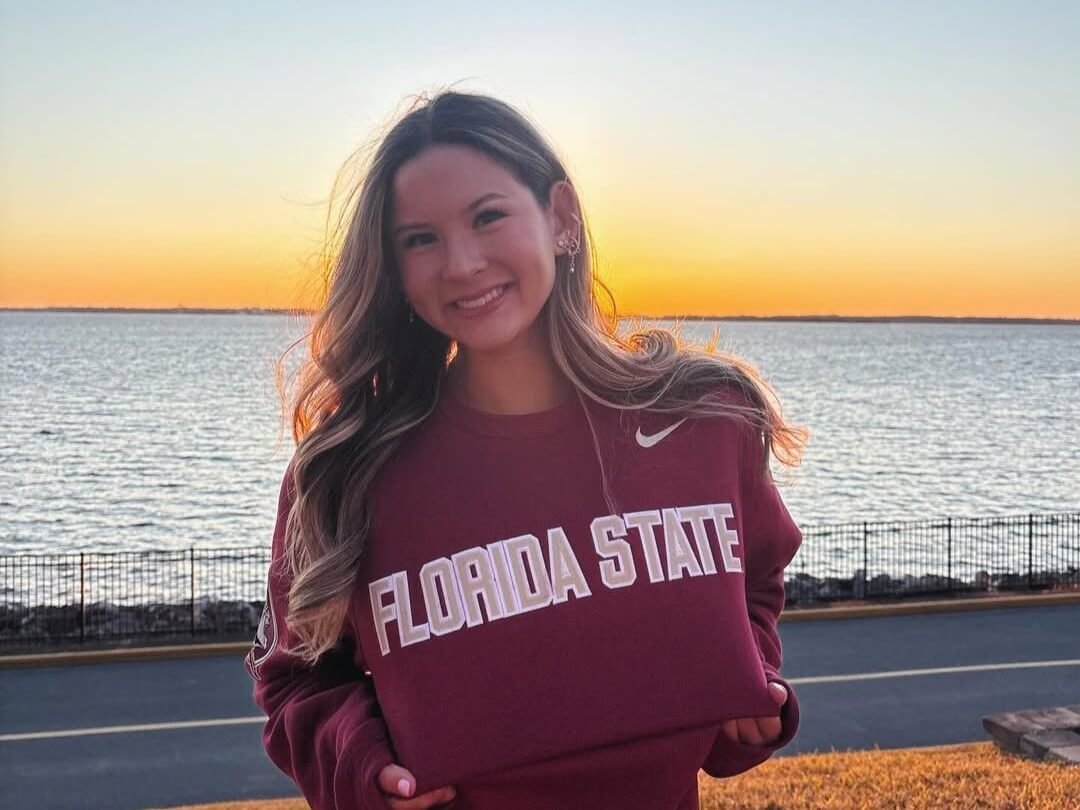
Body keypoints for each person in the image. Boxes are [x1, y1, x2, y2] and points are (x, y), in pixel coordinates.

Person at [244, 89, 808, 810]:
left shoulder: (703, 419)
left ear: (561, 217)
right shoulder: (346, 471)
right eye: (420, 239)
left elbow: (755, 579)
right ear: (395, 269)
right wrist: (364, 765)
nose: (461, 263)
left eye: (487, 217)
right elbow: (295, 680)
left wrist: (746, 686)